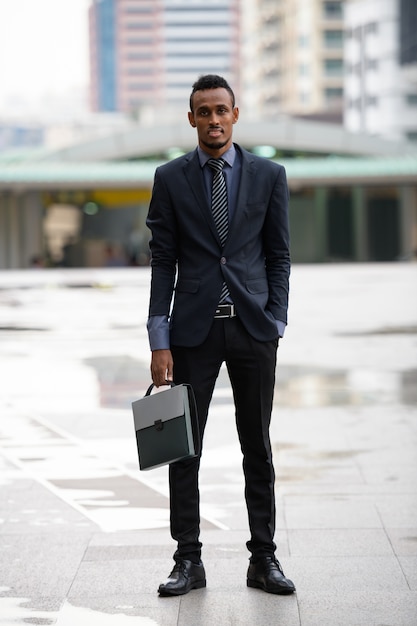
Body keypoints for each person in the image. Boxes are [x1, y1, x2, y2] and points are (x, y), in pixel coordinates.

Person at [146, 74, 295, 597]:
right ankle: (188, 560)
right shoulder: (169, 178)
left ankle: (264, 559)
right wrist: (158, 337)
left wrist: (276, 318)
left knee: (258, 445)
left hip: (254, 330)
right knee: (184, 448)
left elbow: (278, 254)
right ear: (191, 119)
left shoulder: (269, 175)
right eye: (203, 111)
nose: (213, 119)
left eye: (221, 110)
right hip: (192, 333)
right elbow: (163, 261)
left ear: (236, 114)